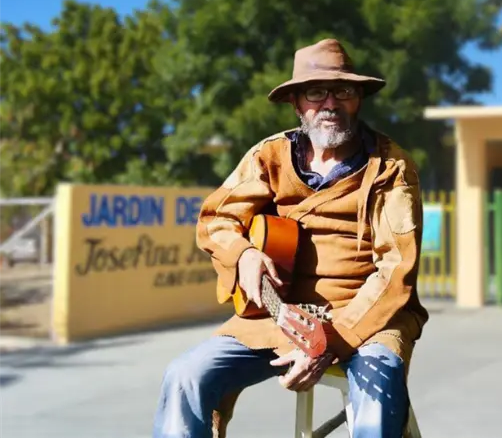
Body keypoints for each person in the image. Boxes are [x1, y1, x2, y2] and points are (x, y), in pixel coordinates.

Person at [153, 38, 429, 438]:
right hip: (277, 315)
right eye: (316, 93)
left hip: (367, 317)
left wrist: (330, 340)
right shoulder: (268, 156)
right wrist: (244, 254)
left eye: (343, 91)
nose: (330, 104)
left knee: (376, 406)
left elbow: (395, 271)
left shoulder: (392, 168)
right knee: (185, 376)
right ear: (297, 103)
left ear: (358, 100)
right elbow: (217, 218)